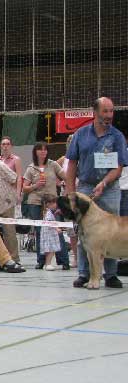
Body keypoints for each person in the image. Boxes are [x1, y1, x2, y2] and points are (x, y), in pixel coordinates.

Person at [66, 97, 128, 288]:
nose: (109, 115)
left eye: (111, 111)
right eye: (105, 111)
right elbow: (72, 164)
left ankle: (110, 275)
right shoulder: (80, 135)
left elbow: (118, 167)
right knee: (84, 233)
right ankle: (84, 274)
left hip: (109, 189)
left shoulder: (117, 136)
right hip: (84, 187)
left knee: (111, 234)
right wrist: (71, 193)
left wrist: (104, 183)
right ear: (95, 112)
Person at [23, 142, 69, 270]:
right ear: (35, 152)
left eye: (45, 150)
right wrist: (35, 185)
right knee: (39, 232)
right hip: (35, 202)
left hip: (52, 202)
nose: (43, 152)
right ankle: (41, 260)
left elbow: (66, 177)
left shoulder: (53, 164)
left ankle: (63, 260)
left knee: (57, 230)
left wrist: (65, 190)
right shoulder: (31, 168)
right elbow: (25, 188)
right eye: (40, 150)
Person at [56, 134, 78, 268]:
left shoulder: (83, 157)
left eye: (73, 141)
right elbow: (52, 171)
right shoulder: (63, 159)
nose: (71, 144)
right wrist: (60, 183)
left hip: (82, 195)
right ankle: (75, 257)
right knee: (72, 230)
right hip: (68, 196)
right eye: (69, 141)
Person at [0, 136, 23, 203]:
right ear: (0, 146)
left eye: (8, 144)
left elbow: (19, 178)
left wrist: (18, 194)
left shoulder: (16, 159)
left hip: (10, 192)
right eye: (3, 144)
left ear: (11, 146)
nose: (5, 146)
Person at [40, 194, 62, 271]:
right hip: (50, 234)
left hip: (46, 233)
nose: (56, 205)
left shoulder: (46, 212)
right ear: (49, 204)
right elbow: (50, 222)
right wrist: (57, 229)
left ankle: (46, 263)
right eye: (54, 203)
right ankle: (48, 264)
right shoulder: (49, 213)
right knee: (51, 250)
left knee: (48, 250)